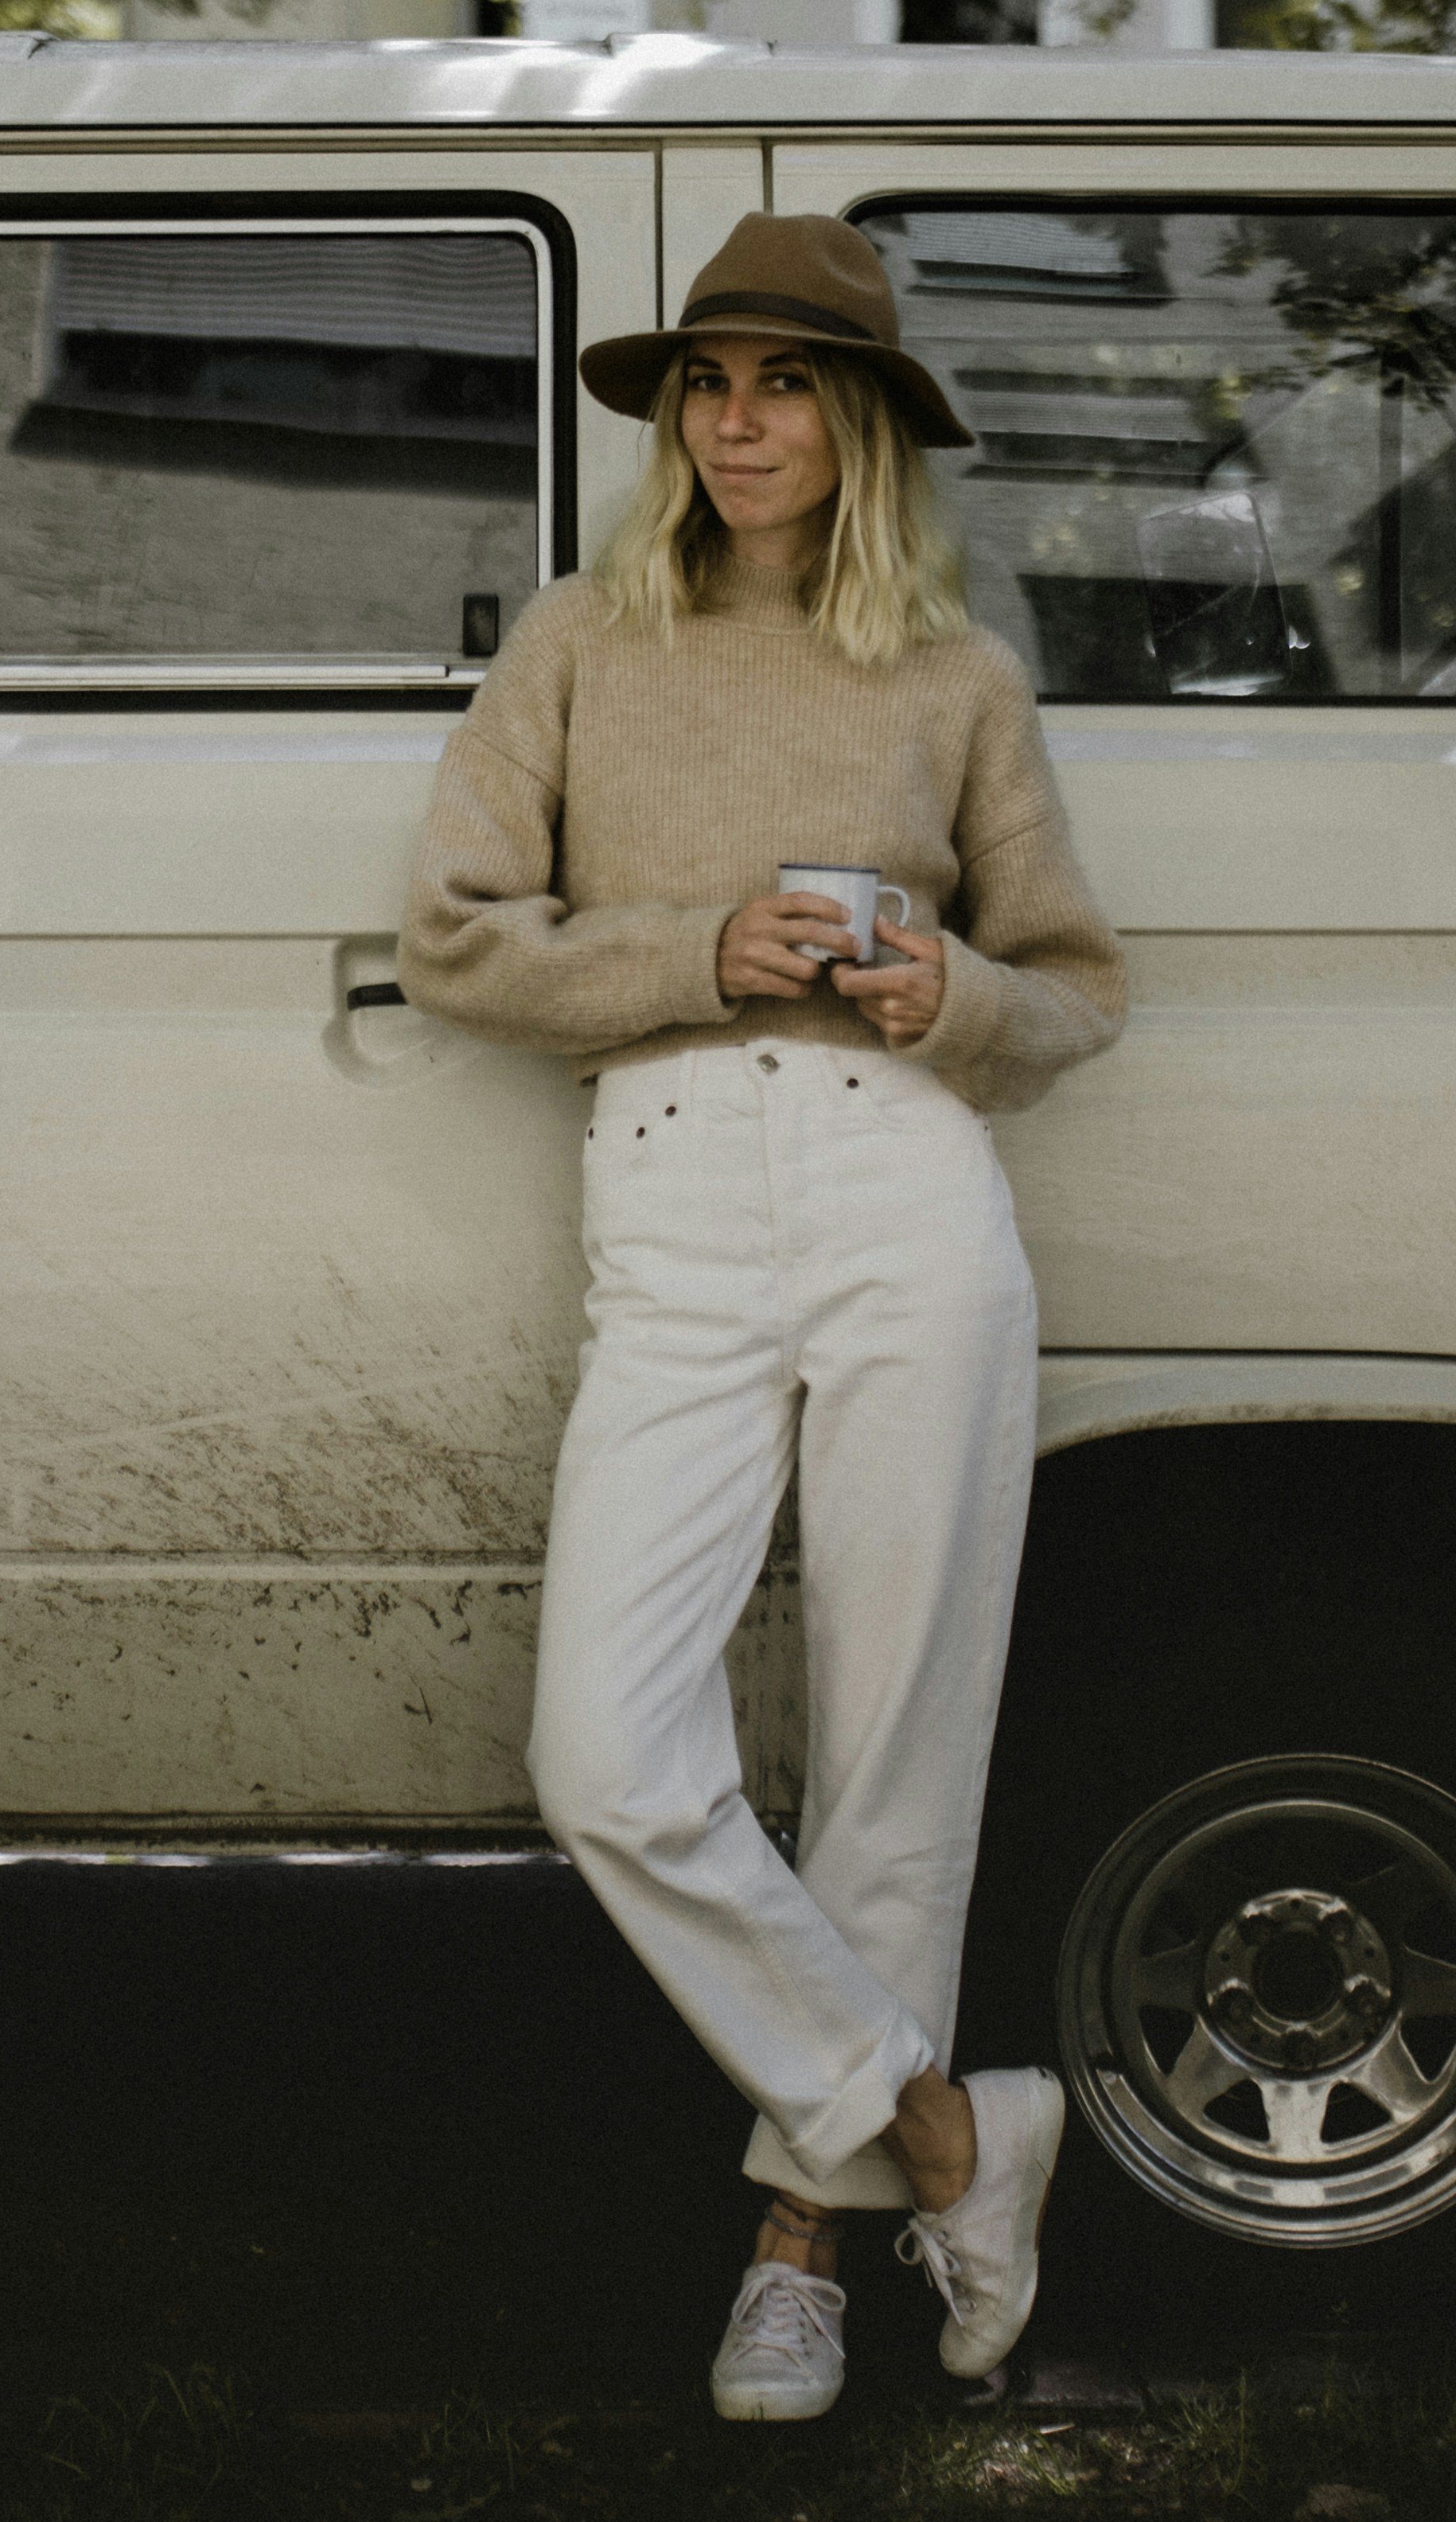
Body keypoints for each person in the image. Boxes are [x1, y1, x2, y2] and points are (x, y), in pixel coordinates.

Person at [397, 213, 1129, 2420]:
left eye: (785, 381)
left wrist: (953, 990)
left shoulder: (955, 675)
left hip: (911, 1187)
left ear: (864, 424)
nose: (735, 418)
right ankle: (935, 2129)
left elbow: (1078, 986)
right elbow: (452, 939)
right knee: (609, 1756)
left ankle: (801, 2251)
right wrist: (693, 950)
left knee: (897, 1748)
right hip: (681, 1195)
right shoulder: (579, 643)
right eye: (707, 379)